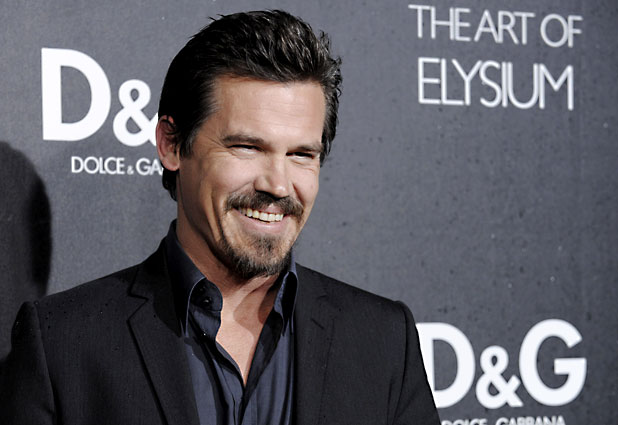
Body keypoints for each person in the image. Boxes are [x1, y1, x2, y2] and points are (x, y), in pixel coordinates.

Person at [0, 10, 440, 425]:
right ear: (172, 145)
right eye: (247, 147)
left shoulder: (383, 340)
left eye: (301, 154)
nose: (278, 185)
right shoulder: (62, 344)